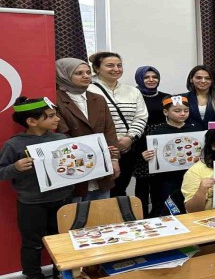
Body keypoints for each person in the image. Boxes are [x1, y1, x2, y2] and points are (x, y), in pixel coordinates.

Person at [0, 97, 73, 279]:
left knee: (62, 240)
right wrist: (15, 167)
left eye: (56, 115)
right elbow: (1, 171)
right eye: (50, 116)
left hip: (62, 199)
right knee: (32, 243)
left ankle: (62, 276)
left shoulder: (60, 138)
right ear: (32, 121)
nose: (57, 119)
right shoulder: (14, 145)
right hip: (32, 203)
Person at [55, 58, 121, 201]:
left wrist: (114, 159)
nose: (86, 76)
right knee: (77, 212)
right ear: (64, 75)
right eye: (79, 73)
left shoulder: (98, 99)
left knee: (103, 211)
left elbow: (109, 130)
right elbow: (62, 135)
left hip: (102, 167)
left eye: (88, 72)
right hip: (74, 167)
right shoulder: (55, 100)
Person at [87, 52, 148, 197]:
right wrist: (110, 143)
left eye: (119, 65)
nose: (116, 69)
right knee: (100, 193)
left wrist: (130, 138)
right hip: (101, 150)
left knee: (120, 189)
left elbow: (141, 117)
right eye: (110, 65)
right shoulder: (88, 90)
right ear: (97, 68)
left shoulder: (133, 91)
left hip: (127, 148)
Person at [142, 96, 202, 216]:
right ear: (166, 112)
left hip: (190, 174)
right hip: (166, 179)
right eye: (177, 111)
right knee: (166, 205)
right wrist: (146, 156)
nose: (182, 113)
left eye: (186, 110)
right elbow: (148, 155)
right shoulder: (157, 131)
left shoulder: (196, 129)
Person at [132, 66, 169, 216]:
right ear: (139, 79)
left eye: (154, 77)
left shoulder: (166, 97)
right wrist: (140, 150)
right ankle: (141, 216)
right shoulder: (134, 96)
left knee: (159, 183)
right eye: (146, 77)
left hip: (162, 142)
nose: (151, 80)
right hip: (140, 142)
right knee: (142, 184)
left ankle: (157, 214)